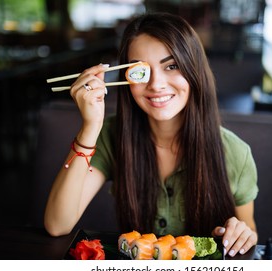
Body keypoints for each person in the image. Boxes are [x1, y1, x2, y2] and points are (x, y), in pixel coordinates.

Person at [44, 12, 259, 258]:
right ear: (126, 78)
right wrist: (90, 126)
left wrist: (243, 233)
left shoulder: (235, 152)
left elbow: (249, 230)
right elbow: (57, 224)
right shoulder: (113, 135)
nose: (156, 84)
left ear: (194, 69)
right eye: (140, 70)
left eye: (172, 66)